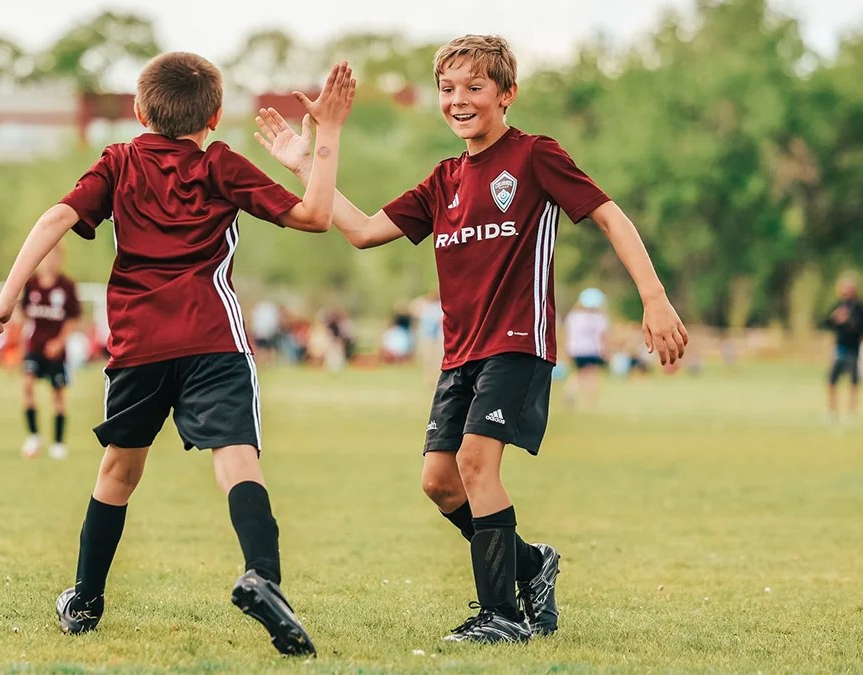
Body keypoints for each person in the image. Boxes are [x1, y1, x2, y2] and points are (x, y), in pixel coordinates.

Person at [254, 33, 687, 644]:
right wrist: (307, 161)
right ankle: (532, 566)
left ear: (506, 94)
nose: (458, 99)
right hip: (461, 353)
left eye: (474, 88)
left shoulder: (535, 156)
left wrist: (654, 297)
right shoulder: (443, 179)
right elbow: (361, 231)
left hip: (516, 341)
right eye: (447, 89)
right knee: (439, 480)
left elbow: (611, 215)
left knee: (477, 464)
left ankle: (502, 617)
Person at [0, 52, 355, 656]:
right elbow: (313, 216)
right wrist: (324, 139)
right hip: (212, 337)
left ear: (137, 110)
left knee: (119, 472)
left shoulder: (120, 161)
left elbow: (56, 217)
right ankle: (263, 575)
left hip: (138, 344)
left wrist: (6, 298)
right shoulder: (219, 163)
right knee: (237, 459)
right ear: (216, 114)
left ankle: (85, 598)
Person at [20, 243, 82, 460]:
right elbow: (24, 314)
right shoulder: (32, 284)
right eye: (46, 257)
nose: (49, 261)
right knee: (27, 385)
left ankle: (58, 443)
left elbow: (73, 319)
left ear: (60, 259)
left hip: (56, 351)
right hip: (34, 347)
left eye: (54, 256)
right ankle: (34, 436)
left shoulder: (67, 286)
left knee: (58, 396)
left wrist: (59, 341)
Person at [822, 274, 863, 423]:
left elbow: (859, 327)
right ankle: (832, 410)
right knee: (832, 379)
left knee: (853, 381)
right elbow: (826, 322)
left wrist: (849, 321)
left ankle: (851, 411)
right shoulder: (839, 305)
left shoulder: (859, 308)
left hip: (853, 349)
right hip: (839, 348)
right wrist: (835, 318)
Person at [563, 287, 610, 410]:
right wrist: (606, 352)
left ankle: (570, 392)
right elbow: (602, 337)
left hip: (576, 350)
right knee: (592, 376)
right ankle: (590, 403)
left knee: (578, 374)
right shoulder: (599, 318)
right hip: (593, 350)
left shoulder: (573, 317)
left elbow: (568, 334)